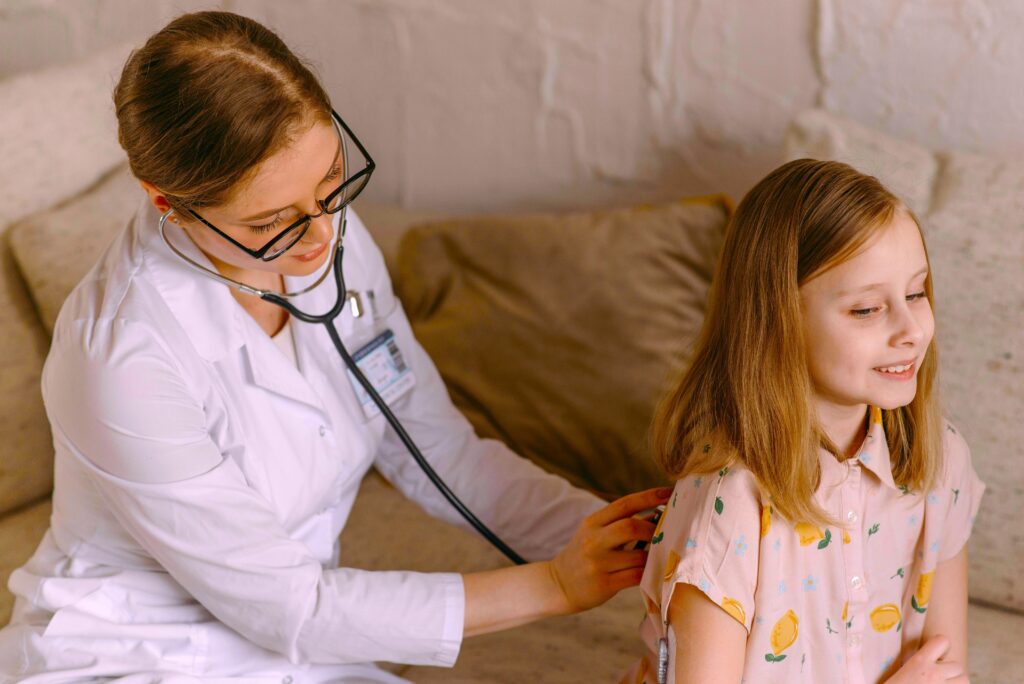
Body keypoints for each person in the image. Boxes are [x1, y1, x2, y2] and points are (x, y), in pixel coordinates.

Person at [0, 11, 668, 683]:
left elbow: (440, 453)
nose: (322, 237)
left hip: (295, 640)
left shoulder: (325, 238)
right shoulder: (119, 358)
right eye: (270, 221)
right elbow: (289, 606)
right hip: (136, 654)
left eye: (330, 183)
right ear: (166, 203)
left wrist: (649, 545)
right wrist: (555, 585)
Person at [621, 159, 984, 684]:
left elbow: (947, 670)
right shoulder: (729, 505)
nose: (911, 330)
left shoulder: (940, 457)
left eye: (915, 293)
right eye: (866, 310)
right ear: (777, 321)